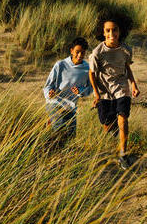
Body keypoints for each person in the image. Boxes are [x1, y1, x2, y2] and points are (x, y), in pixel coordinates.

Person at [89, 14, 140, 169]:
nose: (112, 34)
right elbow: (91, 73)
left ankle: (123, 154)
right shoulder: (97, 53)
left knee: (123, 118)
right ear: (103, 33)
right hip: (104, 92)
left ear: (120, 31)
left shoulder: (126, 50)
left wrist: (133, 84)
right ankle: (111, 147)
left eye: (115, 30)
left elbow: (127, 67)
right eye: (108, 31)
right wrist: (97, 94)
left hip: (121, 88)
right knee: (107, 124)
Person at [43, 37, 92, 136]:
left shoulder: (87, 69)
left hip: (71, 107)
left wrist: (80, 91)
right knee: (58, 130)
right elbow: (48, 85)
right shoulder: (60, 65)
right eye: (77, 52)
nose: (79, 55)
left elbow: (90, 88)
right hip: (54, 103)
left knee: (71, 135)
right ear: (71, 51)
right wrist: (49, 93)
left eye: (82, 52)